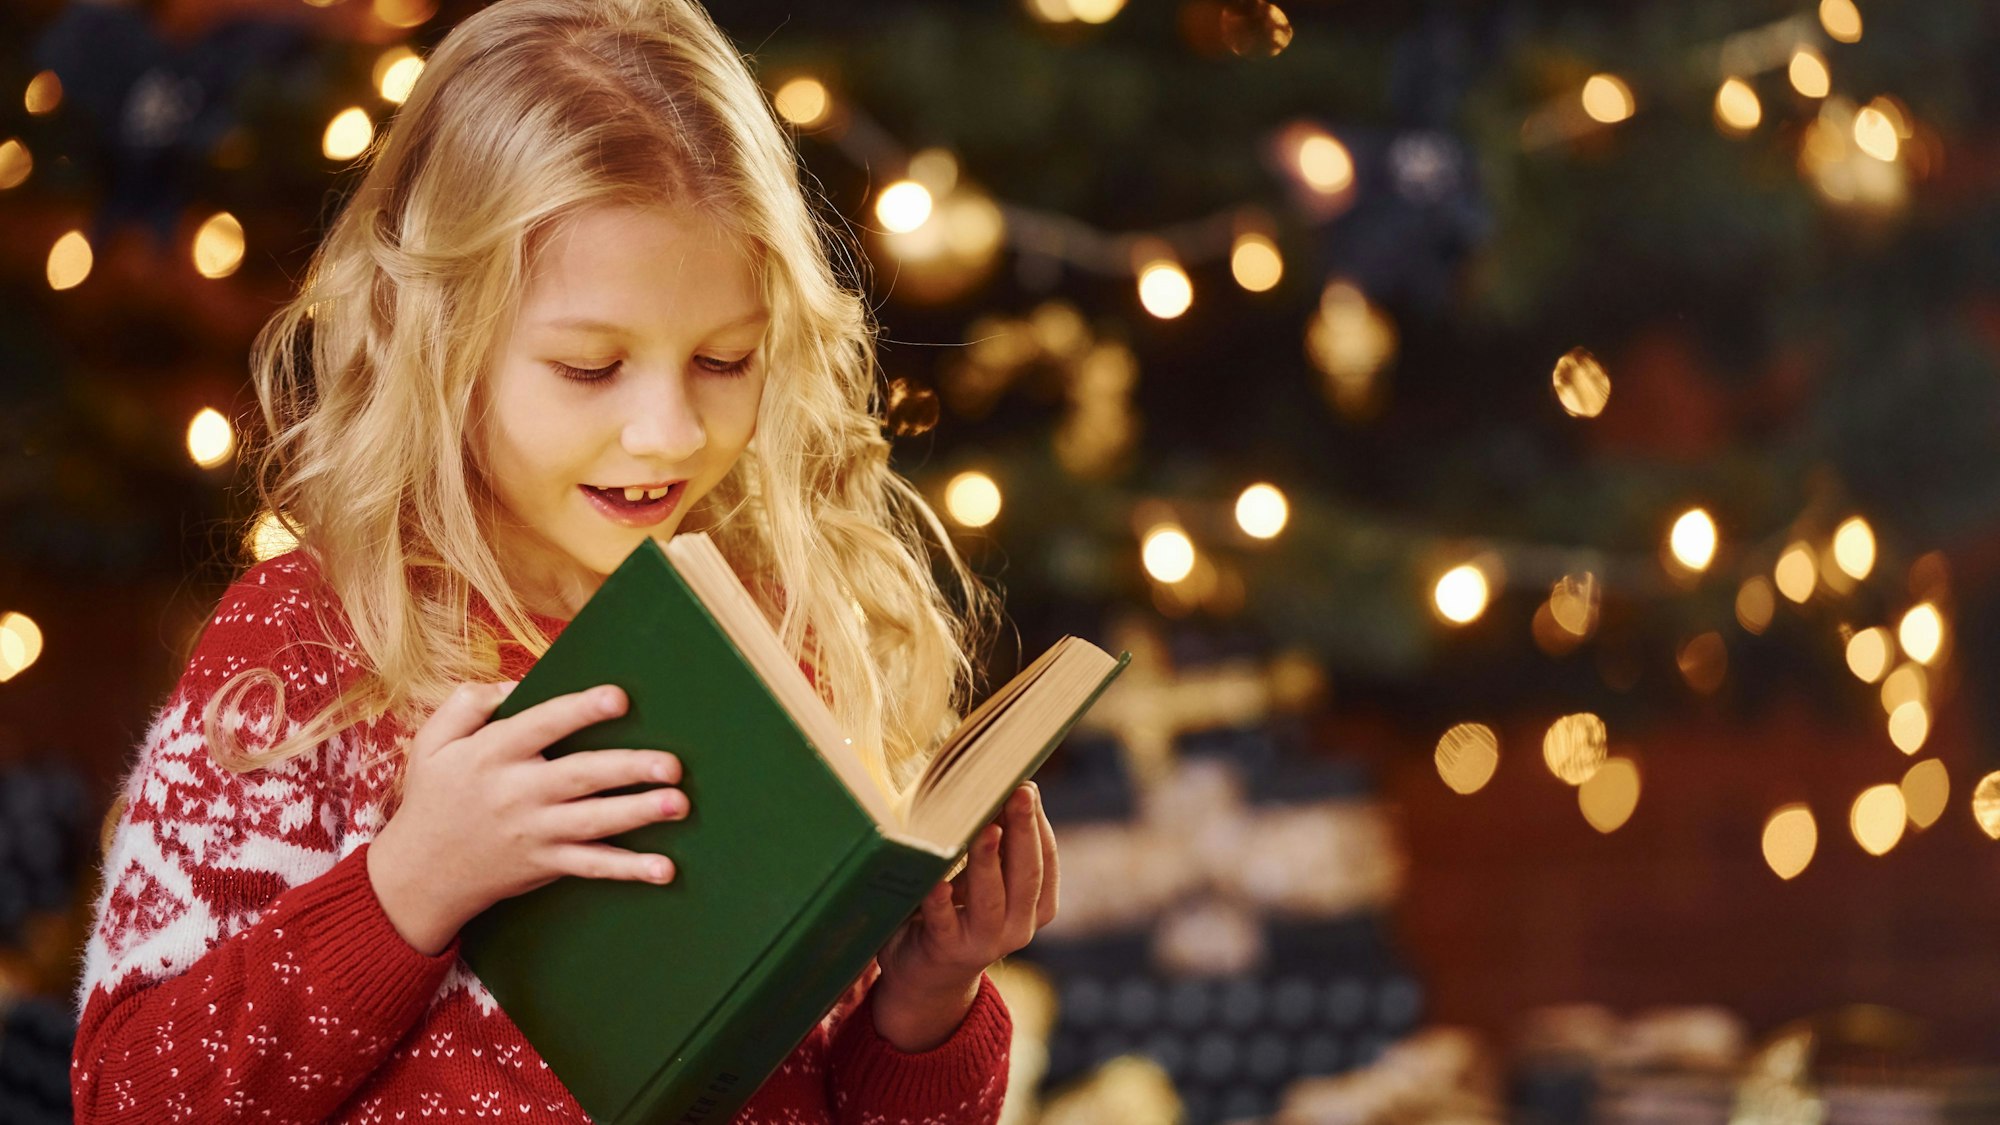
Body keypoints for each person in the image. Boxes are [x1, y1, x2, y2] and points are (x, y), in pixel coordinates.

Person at [69, 0, 1060, 1120]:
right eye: (590, 368)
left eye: (725, 361)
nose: (669, 434)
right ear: (440, 341)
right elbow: (128, 1096)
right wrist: (409, 885)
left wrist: (927, 1000)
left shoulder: (785, 633)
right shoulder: (311, 641)